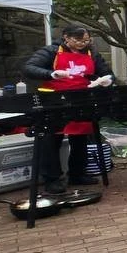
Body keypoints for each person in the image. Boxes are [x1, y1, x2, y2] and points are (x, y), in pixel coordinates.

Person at [22, 25, 114, 193]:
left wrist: (106, 79)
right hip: (54, 100)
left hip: (81, 99)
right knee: (51, 139)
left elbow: (105, 71)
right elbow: (29, 68)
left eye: (86, 40)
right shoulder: (51, 51)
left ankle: (78, 174)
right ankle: (52, 179)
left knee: (80, 137)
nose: (82, 44)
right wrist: (51, 74)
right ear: (66, 37)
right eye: (78, 40)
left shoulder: (91, 53)